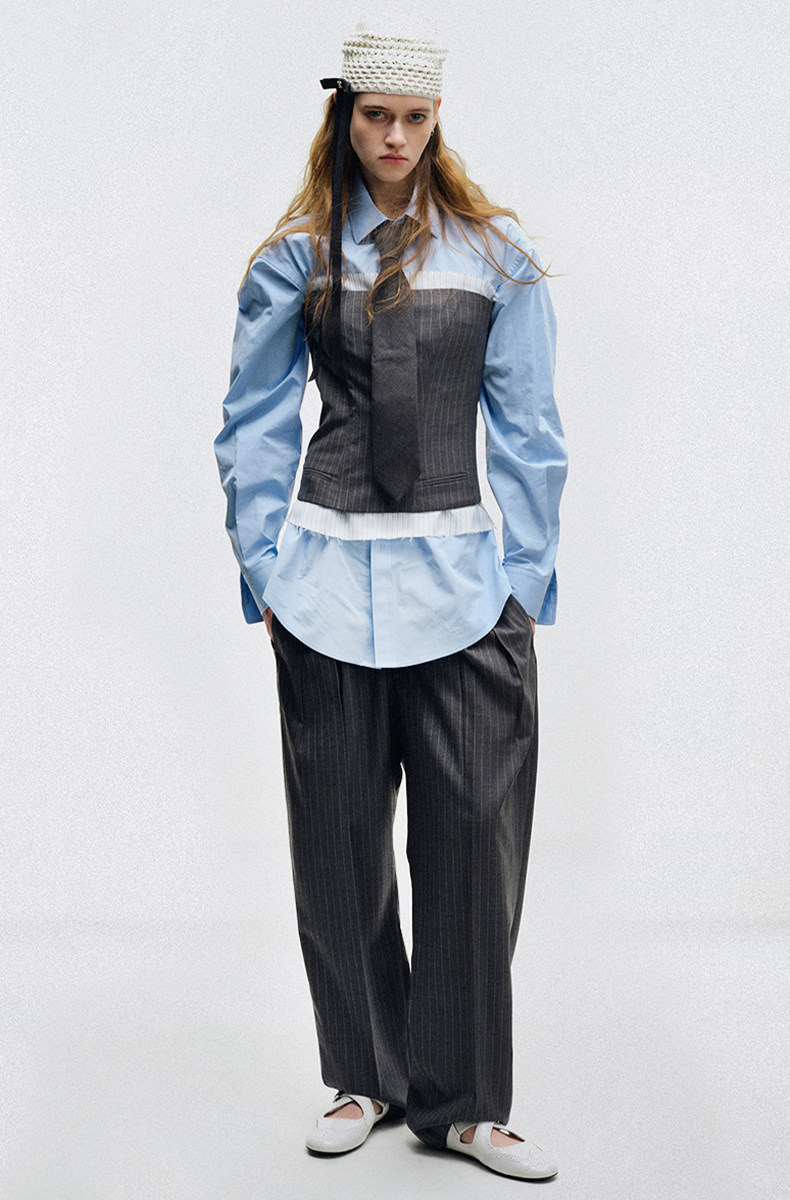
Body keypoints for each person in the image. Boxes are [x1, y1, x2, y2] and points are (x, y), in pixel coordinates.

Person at [214, 18, 568, 1182]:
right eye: (376, 116)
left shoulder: (494, 255)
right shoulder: (296, 258)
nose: (396, 137)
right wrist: (264, 565)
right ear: (345, 116)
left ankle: (464, 1104)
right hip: (324, 587)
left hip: (465, 590)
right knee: (339, 842)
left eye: (414, 118)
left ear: (436, 120)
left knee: (472, 843)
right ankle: (363, 1075)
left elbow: (529, 426)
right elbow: (252, 420)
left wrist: (526, 577)